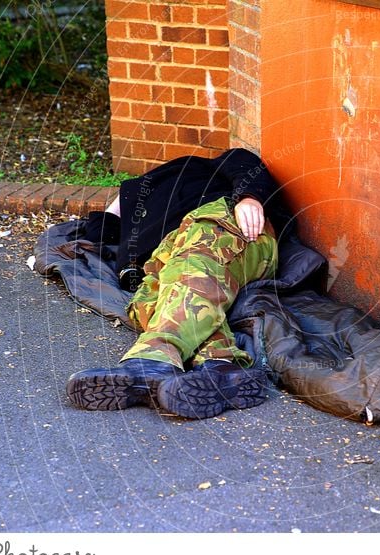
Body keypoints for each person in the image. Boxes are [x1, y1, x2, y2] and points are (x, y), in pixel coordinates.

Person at [65, 149, 292, 419]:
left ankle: (152, 361)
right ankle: (221, 367)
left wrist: (249, 197)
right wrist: (121, 201)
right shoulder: (134, 200)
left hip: (222, 221)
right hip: (163, 254)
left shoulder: (191, 167)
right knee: (146, 304)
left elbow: (242, 159)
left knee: (193, 270)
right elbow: (102, 231)